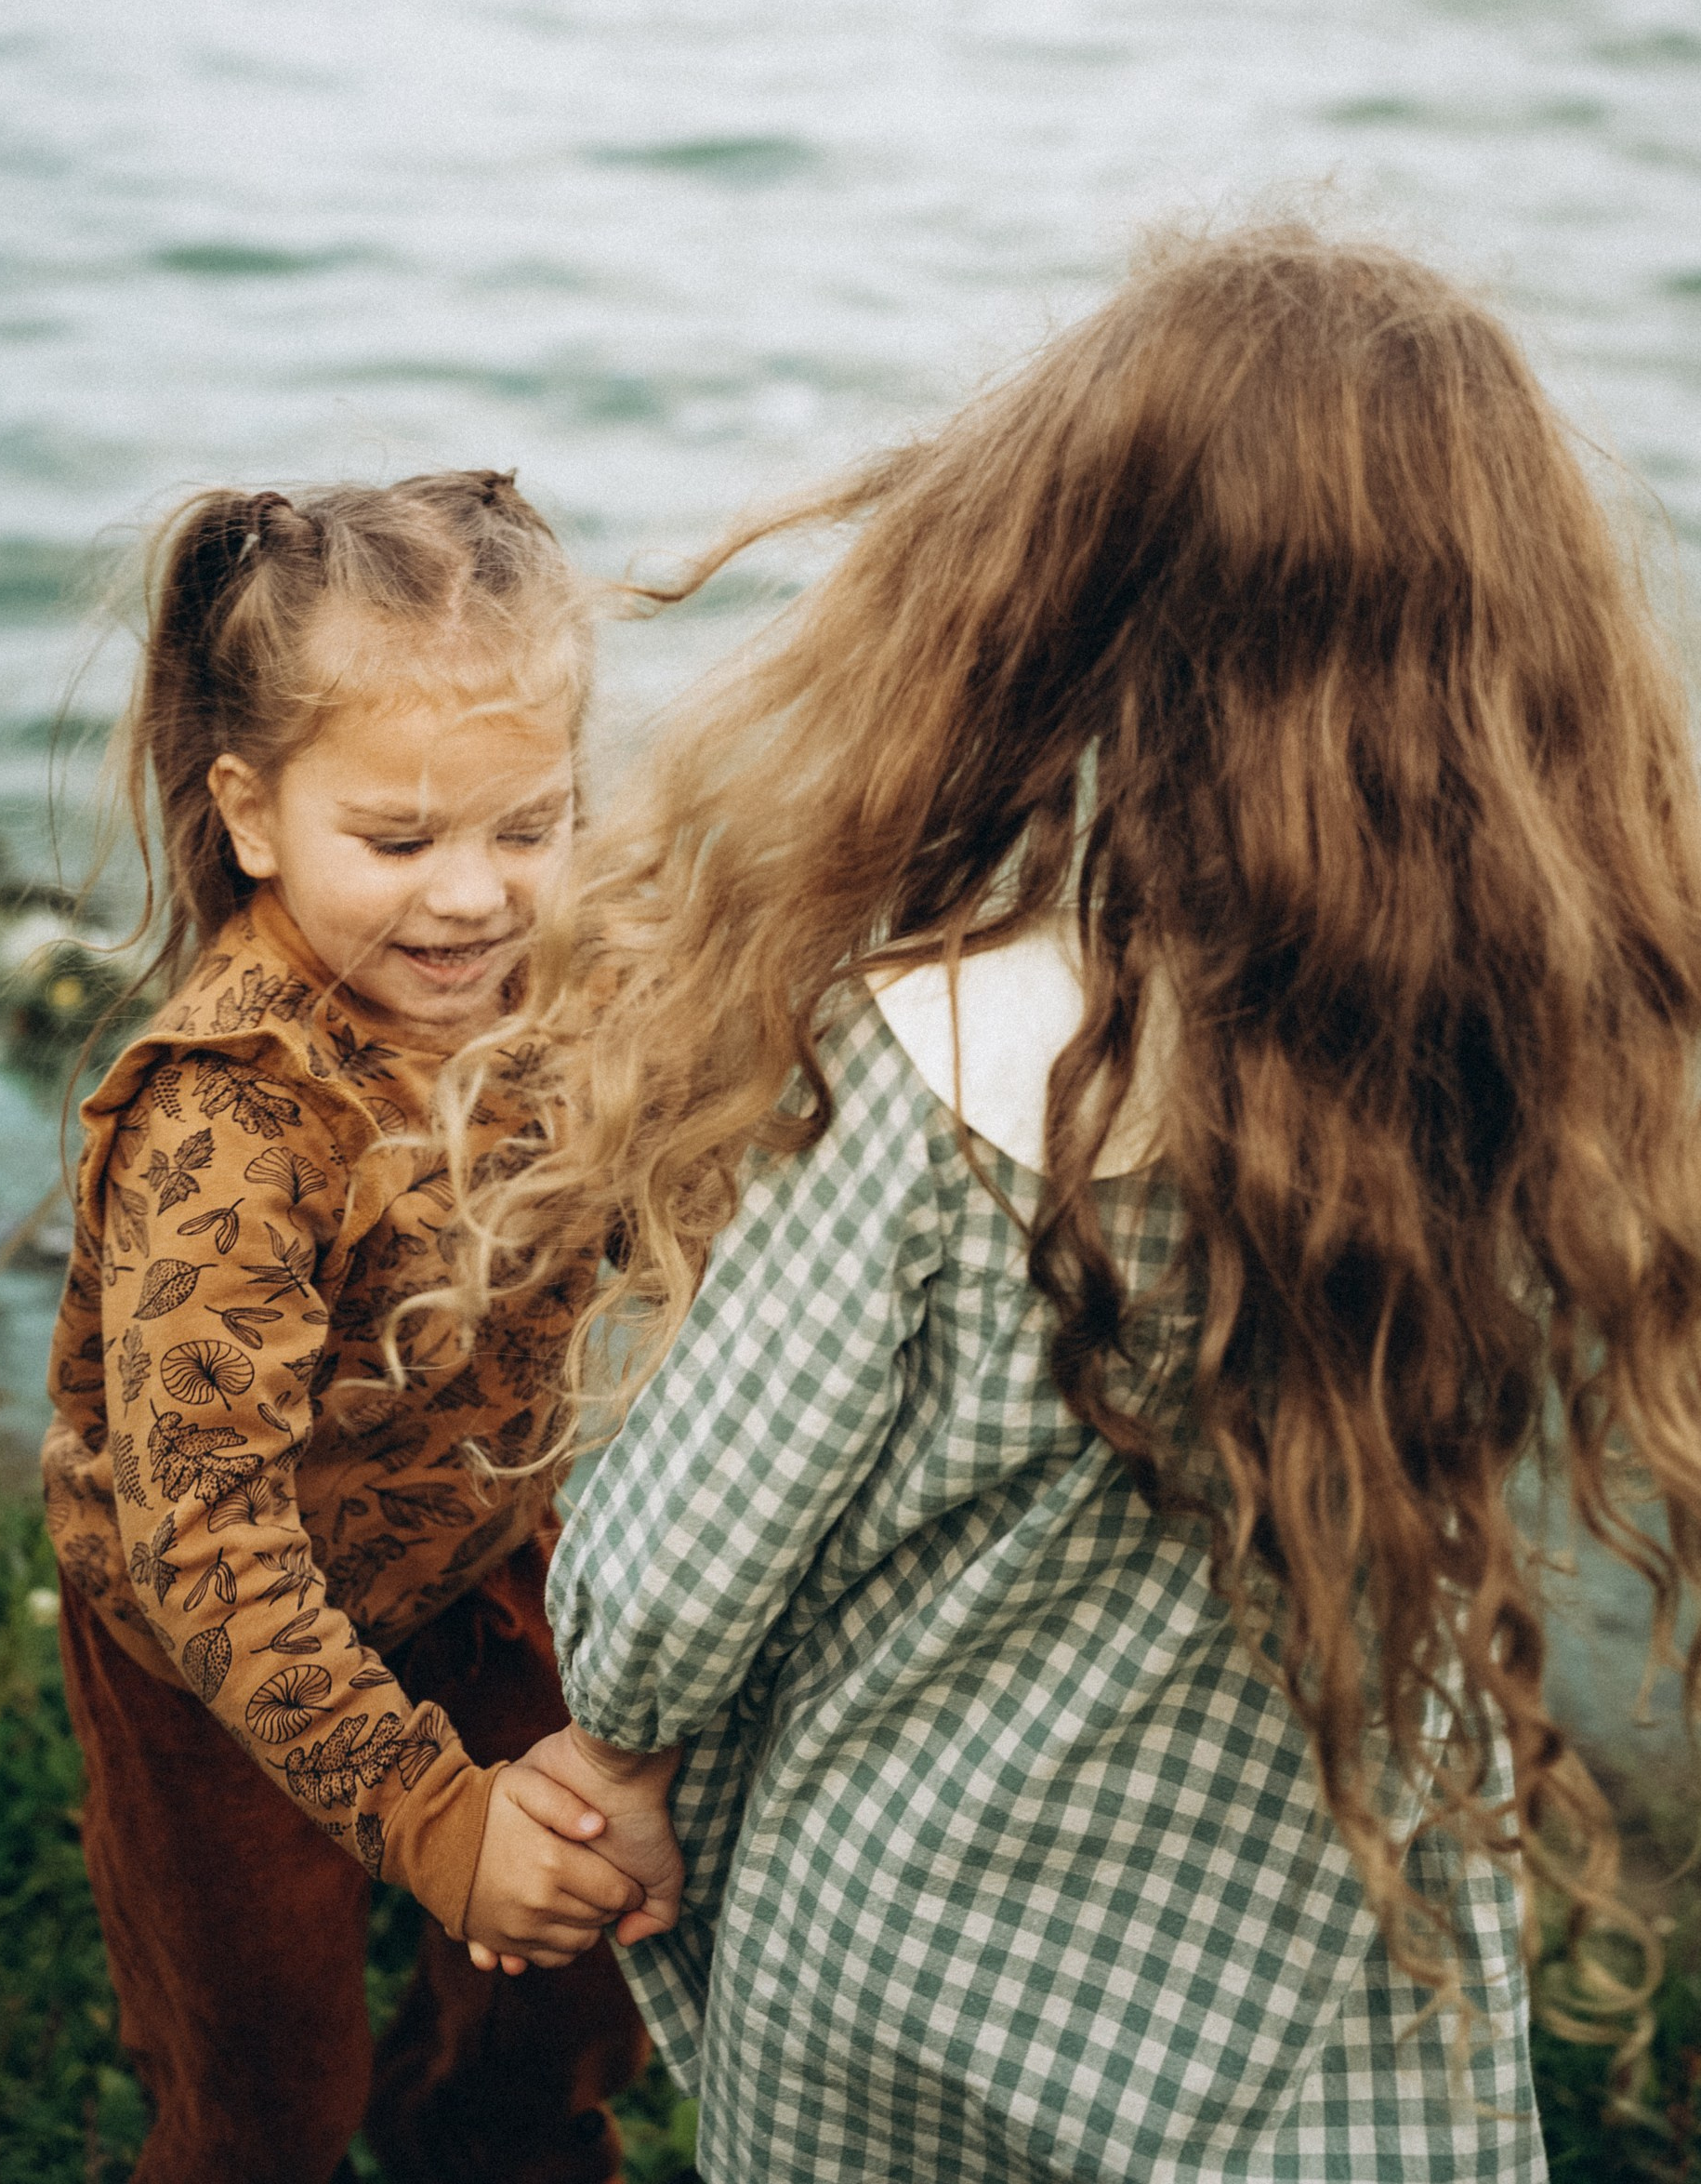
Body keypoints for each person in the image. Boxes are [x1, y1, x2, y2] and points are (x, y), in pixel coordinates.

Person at [452, 228, 1701, 2182]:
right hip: (1302, 1986)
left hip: (900, 1959)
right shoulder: (1503, 1066)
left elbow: (678, 1580)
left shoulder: (948, 1051)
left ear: (1045, 594)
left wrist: (609, 1746)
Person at [40, 473, 655, 2184]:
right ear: (251, 812)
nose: (472, 899)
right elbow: (208, 1542)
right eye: (400, 843)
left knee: (582, 1962)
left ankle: (491, 2139)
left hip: (463, 1553)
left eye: (528, 828)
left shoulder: (559, 991)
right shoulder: (234, 1125)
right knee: (267, 2087)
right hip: (210, 1644)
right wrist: (434, 1822)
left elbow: (662, 1191)